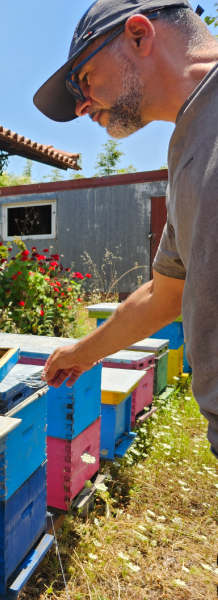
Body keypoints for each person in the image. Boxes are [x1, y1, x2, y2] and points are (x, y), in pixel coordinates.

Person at [34, 1, 218, 456]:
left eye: (84, 79)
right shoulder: (186, 147)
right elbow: (165, 294)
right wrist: (82, 353)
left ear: (138, 35)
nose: (81, 106)